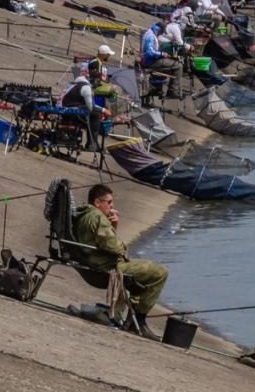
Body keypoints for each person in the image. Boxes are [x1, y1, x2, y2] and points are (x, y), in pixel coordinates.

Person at [73, 184, 168, 338]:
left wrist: (112, 227)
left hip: (92, 264)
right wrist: (113, 226)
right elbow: (116, 247)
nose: (112, 207)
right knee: (160, 272)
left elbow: (102, 243)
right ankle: (138, 321)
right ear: (98, 203)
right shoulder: (97, 217)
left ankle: (134, 320)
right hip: (104, 269)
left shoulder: (83, 214)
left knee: (146, 272)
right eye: (109, 202)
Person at [61, 59, 107, 152]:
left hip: (66, 108)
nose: (98, 82)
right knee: (96, 115)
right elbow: (91, 107)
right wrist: (104, 111)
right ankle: (91, 144)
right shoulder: (86, 86)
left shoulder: (77, 82)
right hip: (70, 111)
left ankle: (91, 142)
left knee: (93, 113)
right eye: (97, 79)